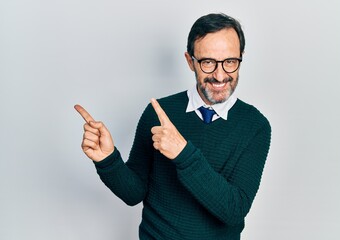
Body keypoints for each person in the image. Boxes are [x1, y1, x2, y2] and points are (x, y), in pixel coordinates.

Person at [75, 13, 271, 240]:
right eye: (208, 62)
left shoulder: (255, 126)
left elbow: (233, 210)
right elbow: (134, 193)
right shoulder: (159, 113)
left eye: (230, 62)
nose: (220, 75)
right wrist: (107, 159)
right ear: (190, 61)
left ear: (240, 58)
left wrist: (183, 154)